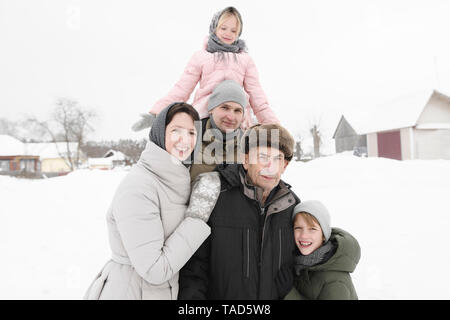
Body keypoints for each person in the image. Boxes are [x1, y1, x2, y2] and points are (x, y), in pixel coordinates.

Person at [84, 102, 220, 300]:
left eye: (192, 133)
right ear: (159, 133)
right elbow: (154, 270)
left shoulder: (172, 180)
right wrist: (197, 217)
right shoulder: (139, 187)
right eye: (176, 131)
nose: (185, 139)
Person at [178, 123, 300, 300]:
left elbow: (302, 266)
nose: (270, 167)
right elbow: (193, 267)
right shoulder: (216, 195)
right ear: (245, 160)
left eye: (277, 159)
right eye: (262, 157)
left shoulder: (291, 205)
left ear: (285, 166)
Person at [132, 6, 279, 132]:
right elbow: (181, 89)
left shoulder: (245, 60)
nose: (228, 33)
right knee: (203, 160)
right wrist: (156, 113)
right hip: (204, 117)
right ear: (214, 28)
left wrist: (274, 126)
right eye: (224, 28)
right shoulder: (201, 57)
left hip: (236, 121)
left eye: (234, 31)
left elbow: (257, 97)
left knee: (234, 162)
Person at [281, 200, 361, 300]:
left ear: (324, 235)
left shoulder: (335, 282)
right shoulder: (300, 264)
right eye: (298, 228)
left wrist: (289, 293)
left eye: (312, 229)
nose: (304, 235)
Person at [189, 79, 247, 181]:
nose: (231, 117)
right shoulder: (191, 136)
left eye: (237, 110)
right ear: (211, 108)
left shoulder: (247, 147)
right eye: (225, 108)